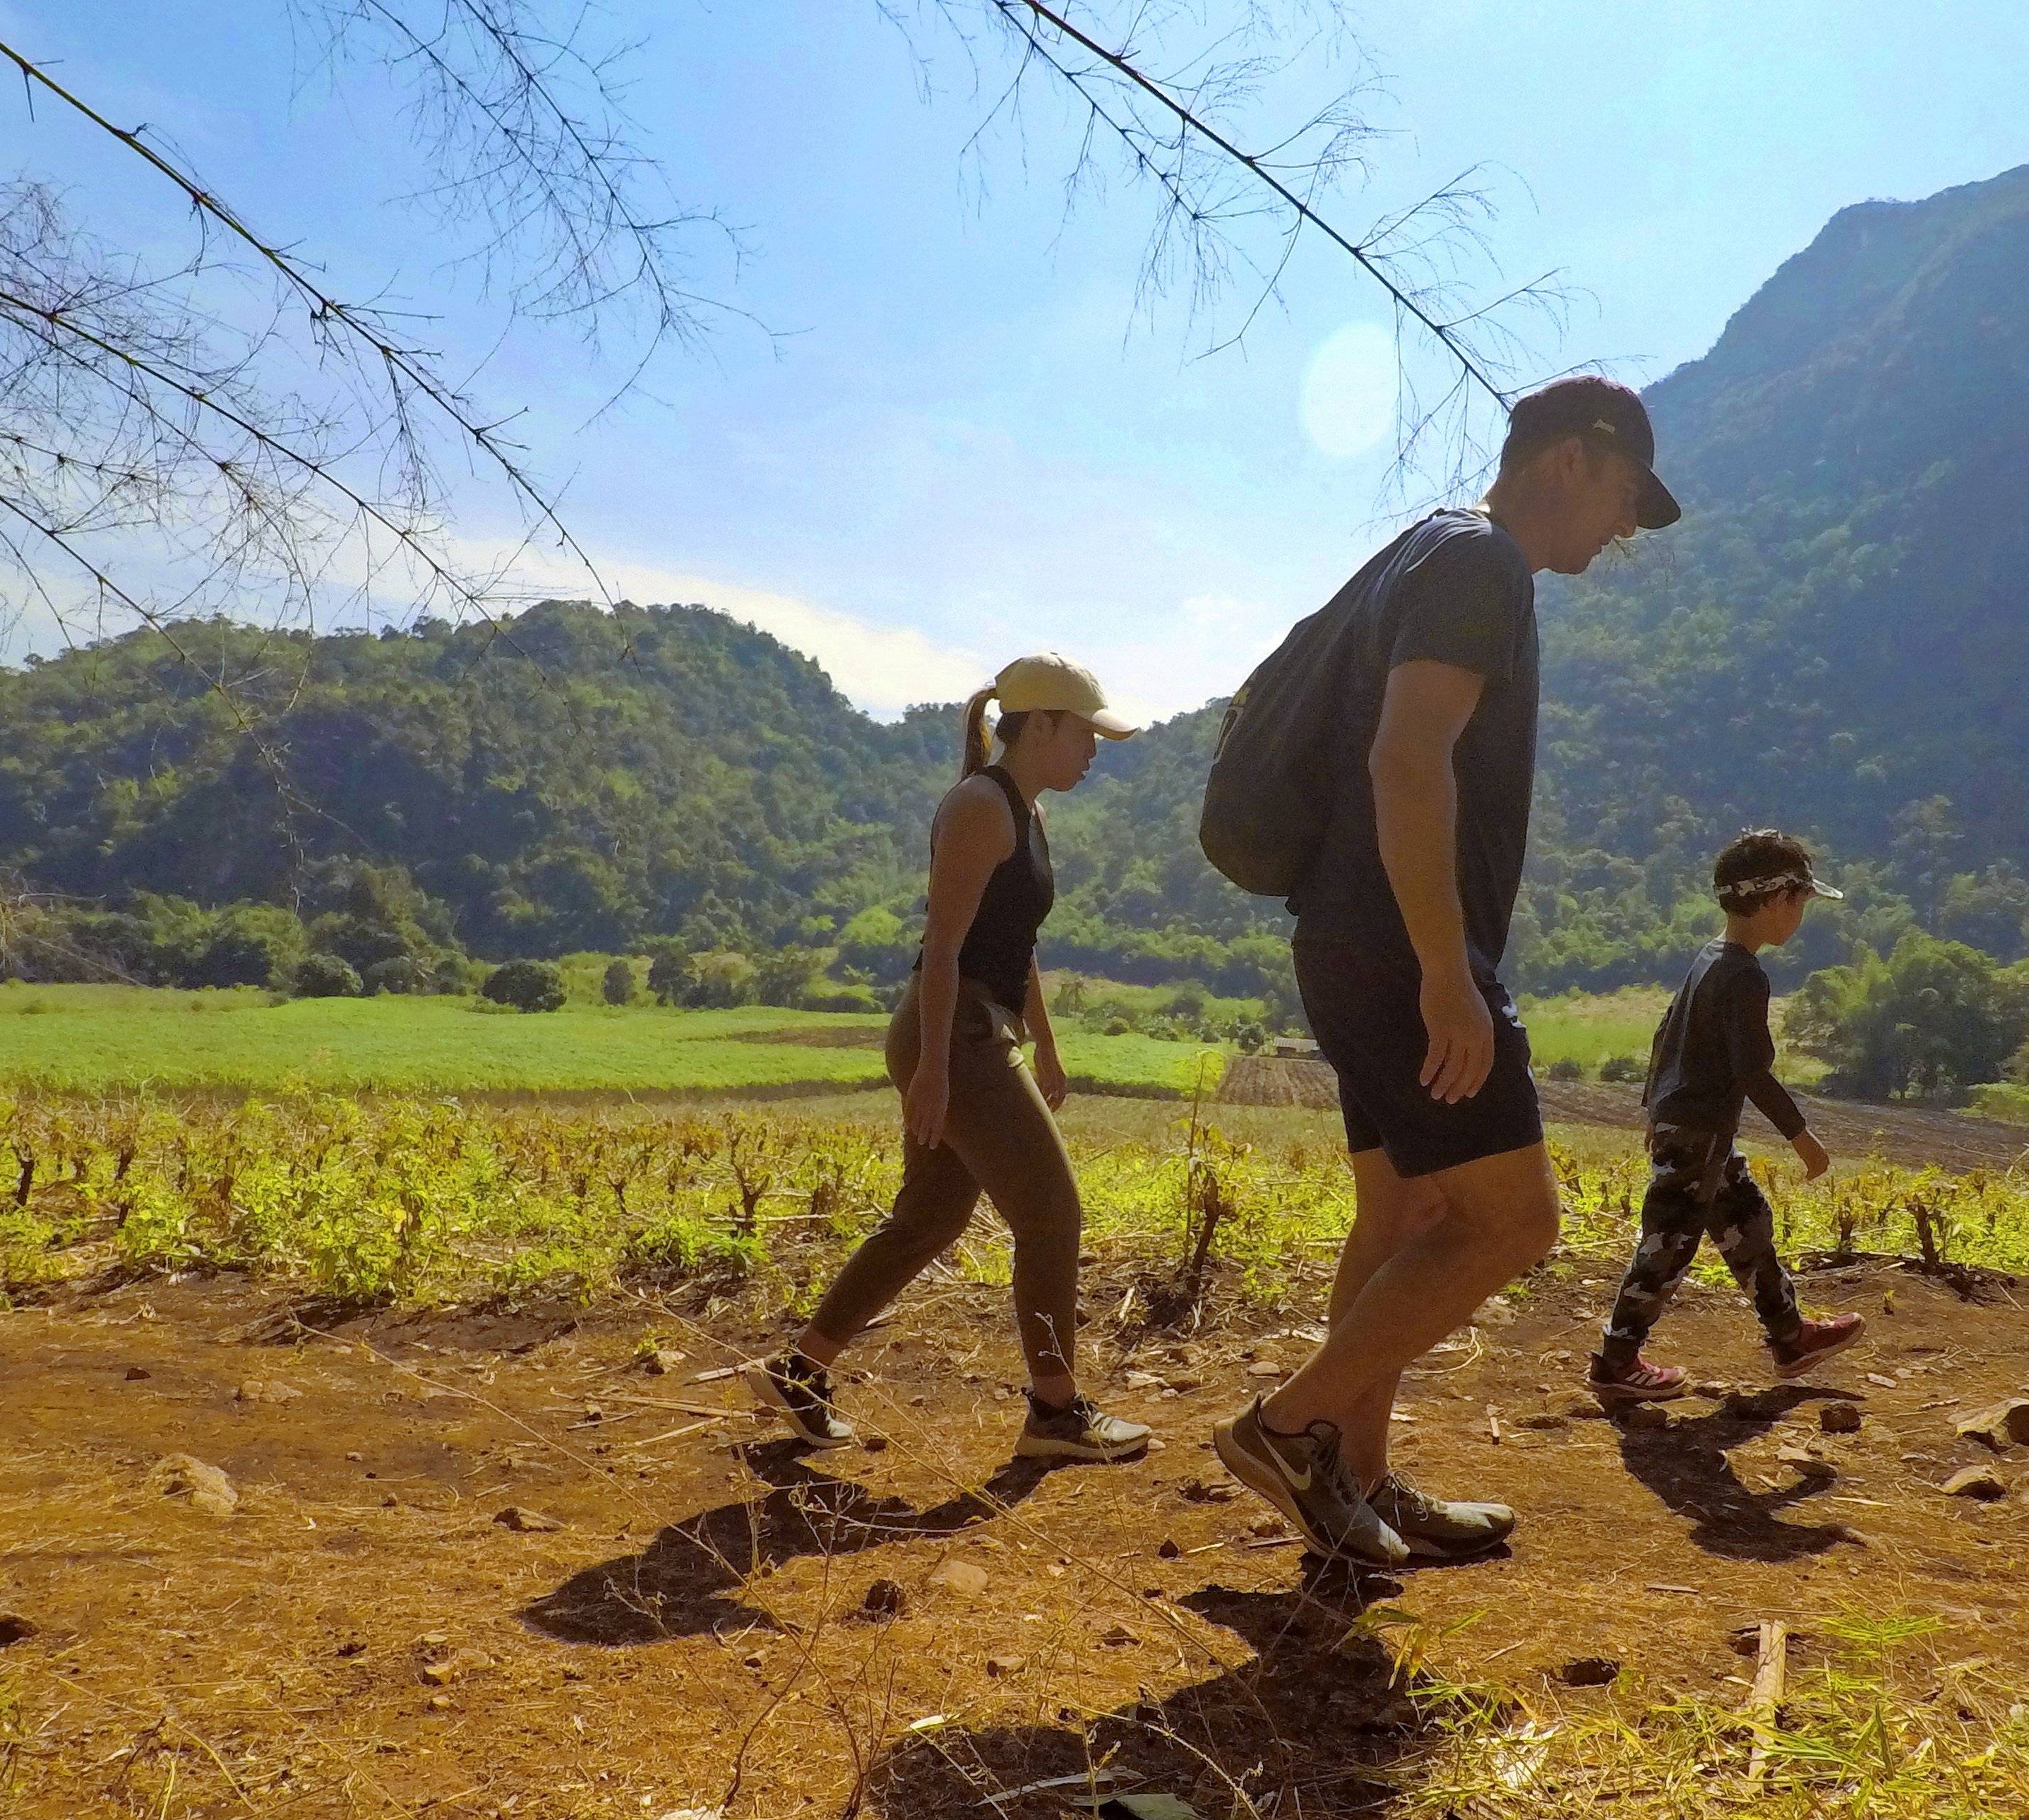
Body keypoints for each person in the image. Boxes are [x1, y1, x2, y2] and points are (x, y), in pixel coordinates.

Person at [1214, 375, 1685, 1567]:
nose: (1624, 524)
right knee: (1510, 1221)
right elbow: (1406, 755)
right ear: (1574, 459)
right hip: (1395, 946)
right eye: (1626, 491)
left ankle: (1352, 1483)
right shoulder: (1480, 566)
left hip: (1346, 932)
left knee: (1406, 1209)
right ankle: (1288, 1428)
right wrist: (1444, 969)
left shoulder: (1427, 552)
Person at [746, 654, 1155, 1466]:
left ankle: (799, 1371)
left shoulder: (1028, 815)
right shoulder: (979, 806)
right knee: (1050, 1213)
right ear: (1038, 726)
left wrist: (1045, 1043)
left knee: (928, 1220)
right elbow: (942, 945)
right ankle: (1054, 1409)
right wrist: (933, 1069)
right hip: (955, 1035)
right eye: (1085, 734)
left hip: (979, 1030)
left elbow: (1017, 946)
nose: (1095, 751)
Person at [1586, 830, 1867, 1413]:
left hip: (1691, 1125)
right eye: (1800, 903)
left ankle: (1791, 1338)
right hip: (1699, 1130)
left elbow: (1666, 1032)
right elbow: (1751, 1072)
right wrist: (1802, 1137)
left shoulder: (1711, 957)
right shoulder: (1743, 974)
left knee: (1745, 1222)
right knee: (1668, 1243)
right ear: (1774, 902)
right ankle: (1616, 1363)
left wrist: (1652, 1108)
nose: (1800, 917)